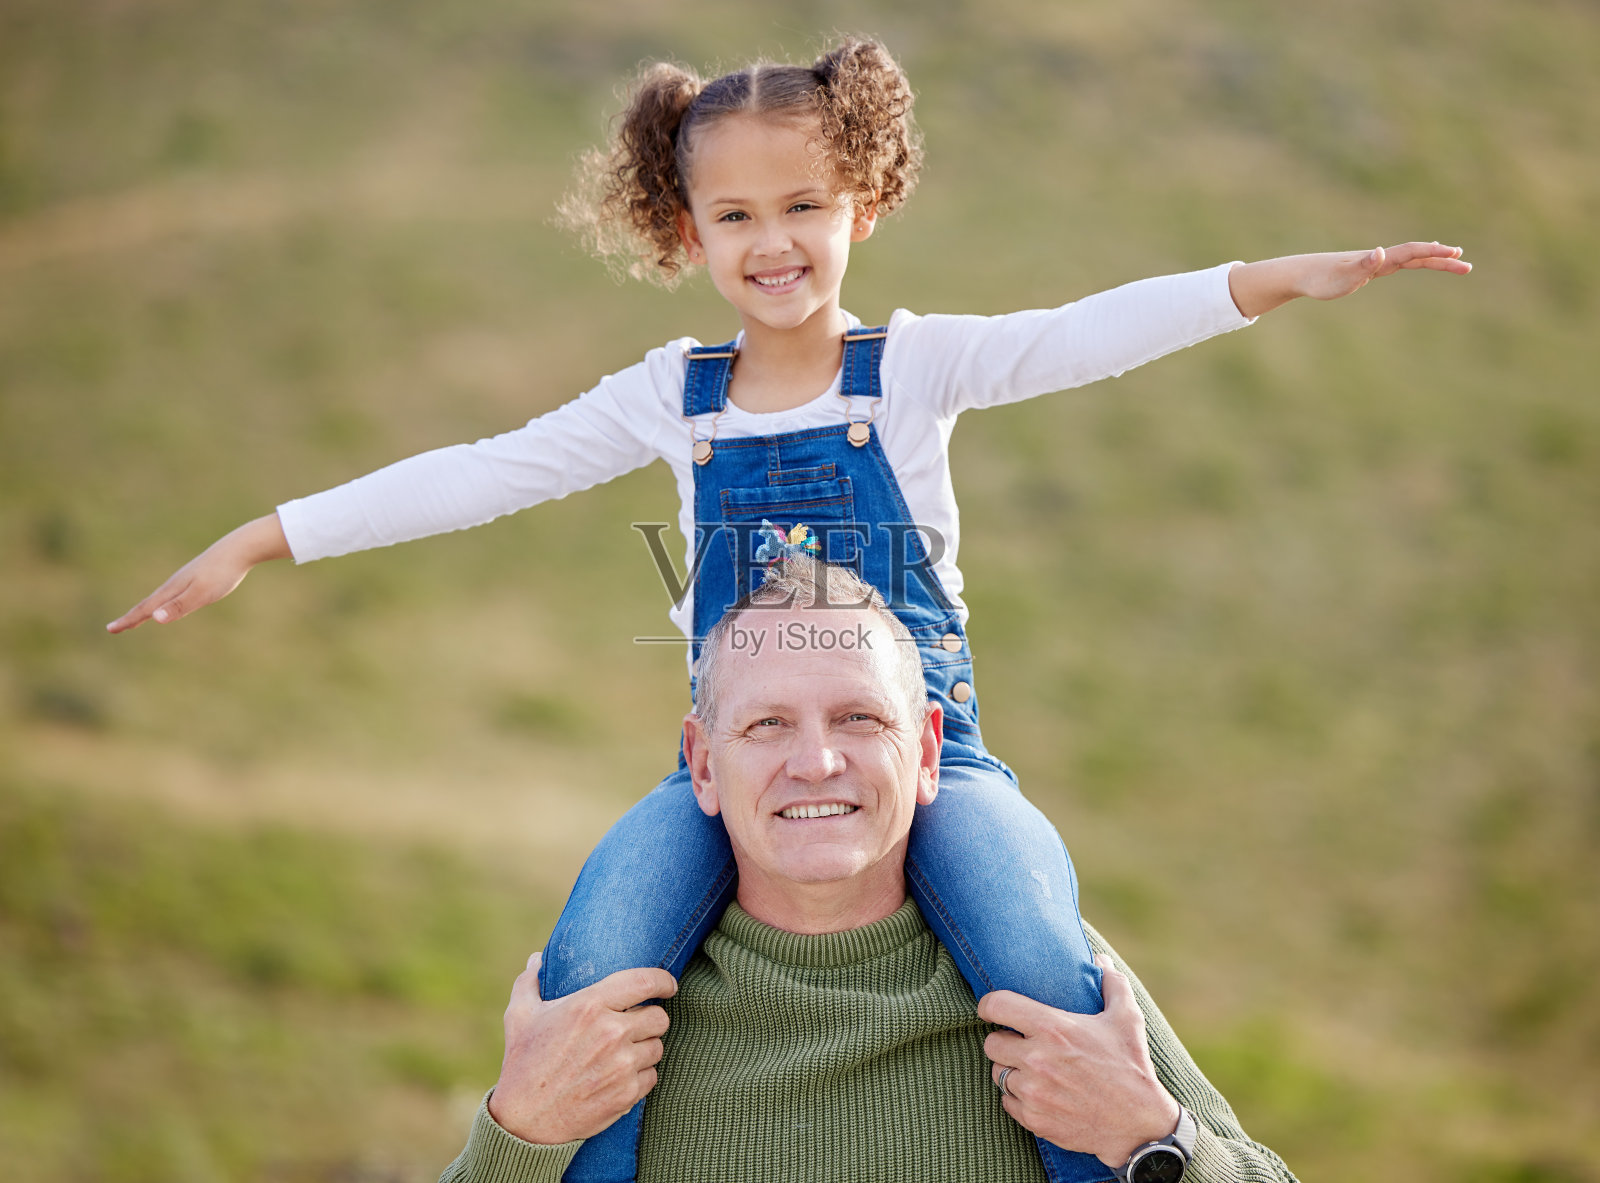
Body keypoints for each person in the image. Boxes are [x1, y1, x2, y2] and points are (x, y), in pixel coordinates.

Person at [107, 36, 1468, 1182]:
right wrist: (266, 538)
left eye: (804, 204)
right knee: (592, 962)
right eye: (735, 216)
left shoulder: (915, 370)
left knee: (1041, 962)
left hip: (933, 763)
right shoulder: (668, 397)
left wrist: (1274, 280)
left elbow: (1082, 332)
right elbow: (482, 471)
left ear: (861, 206)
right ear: (684, 230)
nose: (773, 242)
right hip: (733, 775)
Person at [439, 559, 1298, 1183]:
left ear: (926, 752)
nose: (816, 762)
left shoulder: (1052, 988)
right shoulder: (603, 1028)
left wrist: (1150, 1136)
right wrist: (520, 1135)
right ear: (701, 764)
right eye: (768, 724)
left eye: (858, 717)